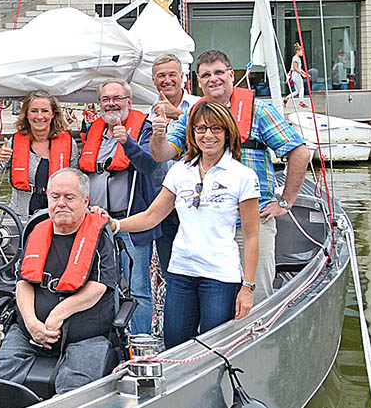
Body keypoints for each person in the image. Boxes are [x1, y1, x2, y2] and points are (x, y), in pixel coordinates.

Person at [149, 49, 311, 303]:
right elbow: (163, 154)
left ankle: (258, 343)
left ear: (230, 74)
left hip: (248, 225)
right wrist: (158, 134)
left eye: (218, 72)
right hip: (208, 230)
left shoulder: (259, 111)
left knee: (255, 298)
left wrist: (285, 201)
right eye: (206, 75)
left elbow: (299, 153)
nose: (213, 79)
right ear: (198, 81)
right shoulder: (194, 116)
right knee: (214, 303)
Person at [99, 101, 259, 348]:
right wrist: (114, 225)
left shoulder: (243, 176)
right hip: (181, 273)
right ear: (192, 134)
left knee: (213, 349)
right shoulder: (180, 171)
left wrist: (247, 287)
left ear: (227, 132)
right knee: (175, 346)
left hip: (220, 277)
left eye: (216, 129)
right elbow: (152, 216)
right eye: (201, 129)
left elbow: (250, 237)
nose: (208, 135)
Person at [0, 169, 119, 393]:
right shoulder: (36, 232)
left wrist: (57, 314)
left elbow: (98, 287)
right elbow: (23, 282)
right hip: (28, 332)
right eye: (55, 197)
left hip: (85, 337)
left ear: (85, 201)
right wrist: (32, 323)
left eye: (69, 197)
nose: (61, 203)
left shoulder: (99, 237)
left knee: (74, 391)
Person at [79, 80, 160, 335]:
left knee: (138, 289)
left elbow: (150, 165)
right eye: (106, 99)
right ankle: (107, 341)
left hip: (129, 224)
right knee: (98, 285)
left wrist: (128, 143)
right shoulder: (94, 132)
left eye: (117, 98)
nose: (111, 103)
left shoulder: (143, 129)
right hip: (96, 224)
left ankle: (141, 342)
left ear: (129, 101)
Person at [0, 91, 80, 226]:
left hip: (57, 219)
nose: (39, 116)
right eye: (34, 111)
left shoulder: (69, 144)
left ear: (53, 114)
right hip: (21, 217)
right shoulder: (14, 142)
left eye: (45, 111)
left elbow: (77, 184)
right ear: (26, 114)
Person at [149, 55, 200, 283]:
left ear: (182, 77)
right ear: (153, 80)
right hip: (165, 204)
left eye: (172, 75)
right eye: (161, 76)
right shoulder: (147, 116)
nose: (167, 80)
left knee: (201, 269)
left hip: (199, 203)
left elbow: (215, 130)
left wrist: (177, 115)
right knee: (171, 272)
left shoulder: (201, 105)